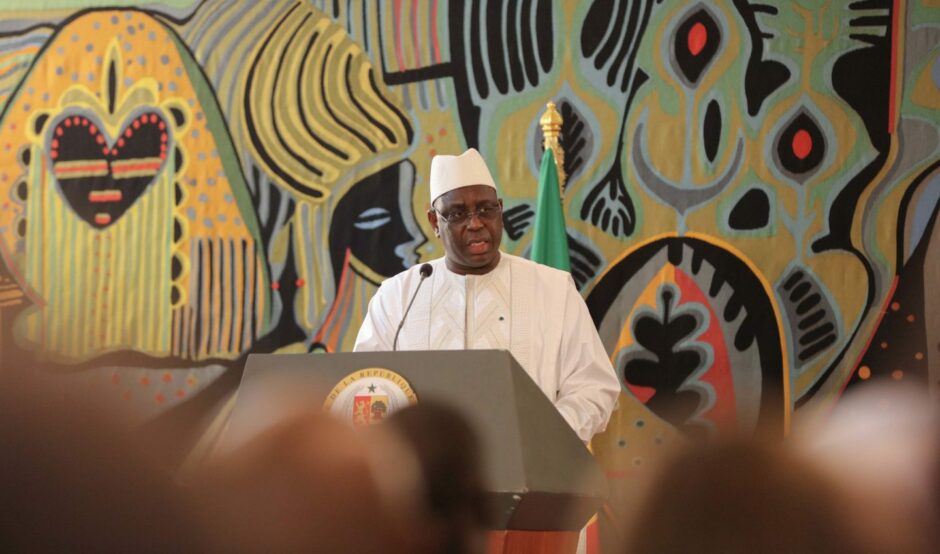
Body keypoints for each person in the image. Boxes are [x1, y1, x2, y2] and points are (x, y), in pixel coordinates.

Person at [354, 148, 619, 442]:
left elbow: (593, 387)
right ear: (433, 222)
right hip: (425, 478)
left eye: (486, 209)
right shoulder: (399, 296)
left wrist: (542, 437)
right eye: (457, 214)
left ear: (500, 210)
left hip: (533, 471)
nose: (476, 223)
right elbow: (366, 386)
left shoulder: (553, 289)